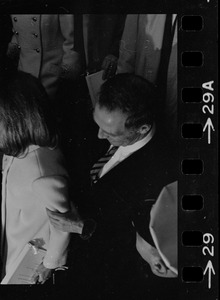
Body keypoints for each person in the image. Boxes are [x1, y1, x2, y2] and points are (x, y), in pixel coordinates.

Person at [47, 73, 178, 298]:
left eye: (109, 133)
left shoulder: (162, 175)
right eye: (97, 123)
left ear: (142, 128)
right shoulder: (105, 124)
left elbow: (141, 242)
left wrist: (84, 227)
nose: (98, 135)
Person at [0, 71, 70, 284]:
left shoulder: (42, 171)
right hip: (12, 242)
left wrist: (50, 263)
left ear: (15, 119)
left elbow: (62, 224)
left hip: (26, 259)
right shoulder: (20, 150)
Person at [7, 15, 81, 100]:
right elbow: (18, 34)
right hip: (23, 72)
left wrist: (65, 75)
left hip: (51, 76)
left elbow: (71, 43)